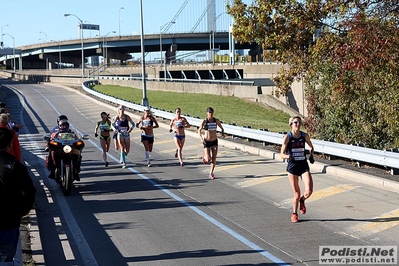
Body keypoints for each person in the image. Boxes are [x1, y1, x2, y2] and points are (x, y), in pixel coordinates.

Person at [0, 127, 36, 263]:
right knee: (6, 258)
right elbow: (29, 192)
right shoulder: (15, 166)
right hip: (8, 222)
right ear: (10, 144)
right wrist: (20, 212)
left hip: (9, 221)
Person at [280, 116, 315, 223]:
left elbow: (311, 147)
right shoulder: (288, 137)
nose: (298, 124)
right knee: (296, 193)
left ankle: (302, 200)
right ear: (291, 124)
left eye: (299, 122)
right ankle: (294, 214)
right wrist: (288, 157)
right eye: (295, 122)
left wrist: (311, 155)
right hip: (293, 167)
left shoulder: (304, 135)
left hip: (303, 165)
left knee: (309, 191)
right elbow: (281, 154)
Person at [198, 107, 224, 179]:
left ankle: (211, 173)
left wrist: (222, 133)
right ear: (207, 113)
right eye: (209, 113)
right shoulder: (205, 121)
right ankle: (204, 156)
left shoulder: (216, 120)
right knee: (208, 159)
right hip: (207, 142)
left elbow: (222, 128)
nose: (211, 115)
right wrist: (201, 139)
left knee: (214, 158)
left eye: (212, 113)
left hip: (214, 141)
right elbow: (199, 130)